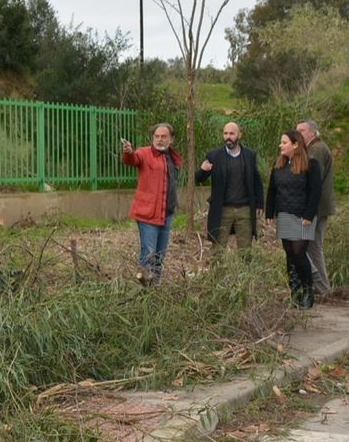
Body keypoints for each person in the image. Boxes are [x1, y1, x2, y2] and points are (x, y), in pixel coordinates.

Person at [265, 128, 323, 308]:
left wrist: (308, 214)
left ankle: (308, 291)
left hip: (302, 216)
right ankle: (295, 291)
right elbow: (272, 190)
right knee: (290, 254)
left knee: (299, 253)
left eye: (284, 142)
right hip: (284, 214)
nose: (280, 145)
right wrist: (269, 212)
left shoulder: (311, 165)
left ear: (296, 144)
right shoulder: (279, 166)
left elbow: (315, 193)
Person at [122, 123, 181, 284]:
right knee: (149, 253)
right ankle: (143, 289)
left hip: (166, 214)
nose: (160, 140)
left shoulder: (172, 157)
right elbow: (132, 159)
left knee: (160, 255)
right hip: (147, 214)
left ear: (171, 139)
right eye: (157, 136)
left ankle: (155, 288)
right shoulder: (144, 153)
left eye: (164, 136)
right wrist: (128, 152)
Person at [196, 121, 265, 254]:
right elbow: (199, 179)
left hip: (244, 209)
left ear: (239, 135)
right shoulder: (214, 155)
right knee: (218, 249)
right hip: (222, 209)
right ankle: (218, 273)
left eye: (232, 133)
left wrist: (260, 203)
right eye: (225, 133)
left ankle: (244, 273)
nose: (228, 136)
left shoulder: (250, 155)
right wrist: (202, 170)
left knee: (245, 250)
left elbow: (256, 181)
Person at [296, 119, 335, 297]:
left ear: (312, 132)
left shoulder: (317, 150)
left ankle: (322, 287)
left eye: (302, 131)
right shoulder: (315, 148)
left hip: (316, 208)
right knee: (310, 247)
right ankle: (322, 288)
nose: (298, 134)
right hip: (319, 206)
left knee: (309, 248)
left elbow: (312, 181)